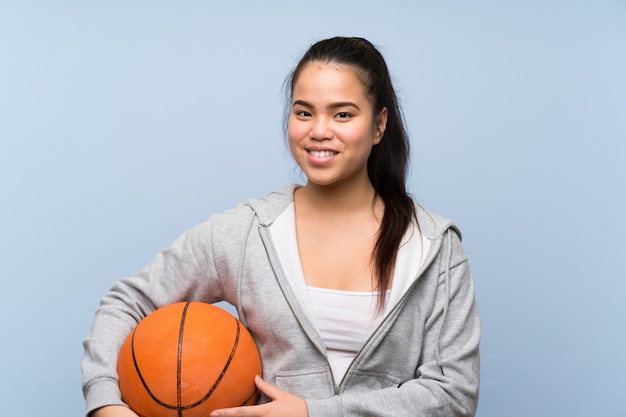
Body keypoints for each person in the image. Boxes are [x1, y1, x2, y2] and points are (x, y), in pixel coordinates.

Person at [81, 36, 481, 417]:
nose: (318, 130)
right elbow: (126, 303)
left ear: (379, 125)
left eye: (342, 114)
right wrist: (105, 400)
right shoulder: (247, 233)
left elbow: (455, 394)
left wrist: (313, 411)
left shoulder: (433, 247)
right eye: (303, 112)